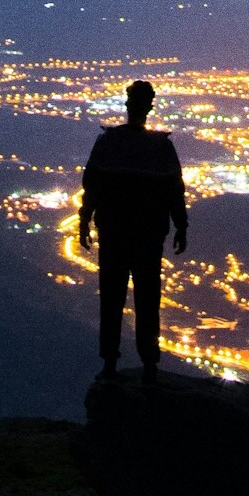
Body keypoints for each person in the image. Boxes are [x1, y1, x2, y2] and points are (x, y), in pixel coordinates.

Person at [78, 80, 188, 383]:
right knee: (148, 298)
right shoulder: (161, 147)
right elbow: (174, 191)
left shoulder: (108, 143)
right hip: (149, 235)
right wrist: (181, 225)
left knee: (112, 297)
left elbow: (92, 188)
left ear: (127, 106)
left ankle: (110, 362)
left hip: (114, 232)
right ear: (149, 107)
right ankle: (149, 364)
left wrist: (84, 220)